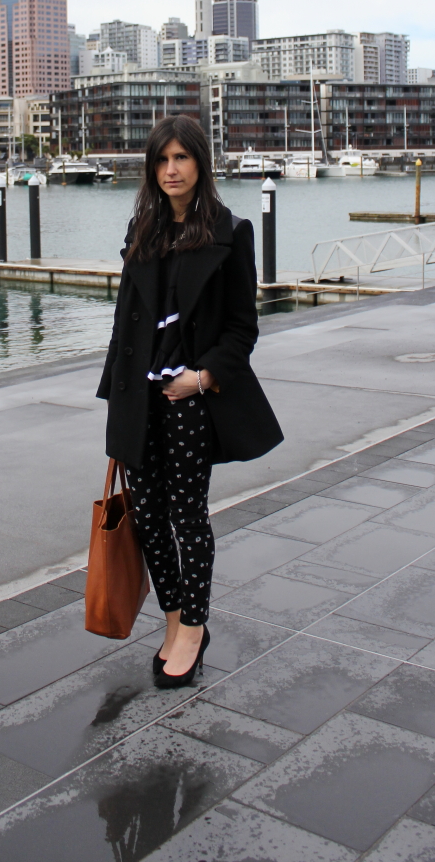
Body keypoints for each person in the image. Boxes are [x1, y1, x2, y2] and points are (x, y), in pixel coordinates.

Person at [97, 115, 283, 688]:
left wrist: (200, 379)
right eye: (161, 160)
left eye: (181, 158)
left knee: (186, 515)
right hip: (139, 397)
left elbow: (241, 330)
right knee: (148, 518)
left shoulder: (230, 232)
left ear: (201, 163)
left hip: (190, 399)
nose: (171, 170)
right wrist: (115, 397)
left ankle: (195, 628)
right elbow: (124, 323)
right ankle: (173, 618)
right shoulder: (143, 230)